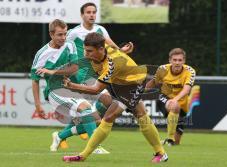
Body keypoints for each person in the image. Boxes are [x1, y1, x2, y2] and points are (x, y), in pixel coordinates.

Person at [62, 32, 168, 163]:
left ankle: (83, 156)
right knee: (141, 114)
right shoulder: (102, 47)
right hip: (118, 82)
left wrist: (72, 86)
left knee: (109, 116)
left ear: (101, 49)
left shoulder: (112, 65)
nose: (85, 54)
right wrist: (121, 50)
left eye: (89, 51)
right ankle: (161, 153)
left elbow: (96, 89)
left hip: (132, 84)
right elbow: (105, 39)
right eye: (85, 50)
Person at [31, 19, 108, 153]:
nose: (63, 37)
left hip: (73, 87)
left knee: (96, 119)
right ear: (51, 35)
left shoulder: (70, 44)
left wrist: (53, 71)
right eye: (60, 34)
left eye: (65, 34)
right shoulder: (42, 54)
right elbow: (35, 80)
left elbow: (74, 68)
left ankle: (60, 136)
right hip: (56, 91)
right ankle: (95, 147)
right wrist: (38, 105)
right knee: (86, 109)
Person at [146, 48, 196, 145]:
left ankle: (167, 141)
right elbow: (153, 83)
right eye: (175, 60)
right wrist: (139, 92)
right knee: (174, 106)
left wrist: (175, 99)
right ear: (170, 60)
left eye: (180, 60)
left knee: (177, 142)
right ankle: (170, 138)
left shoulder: (190, 71)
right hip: (164, 98)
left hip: (182, 104)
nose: (177, 63)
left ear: (184, 61)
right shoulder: (163, 69)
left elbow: (187, 89)